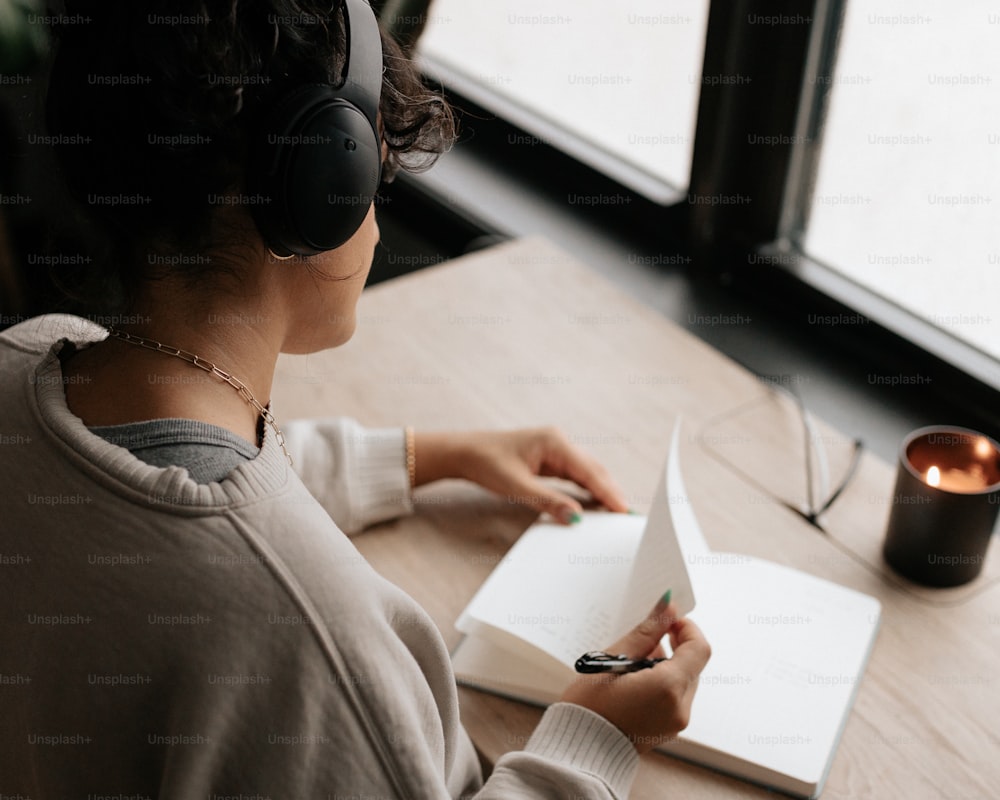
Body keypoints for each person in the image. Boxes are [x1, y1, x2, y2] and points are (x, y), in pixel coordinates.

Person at [0, 1, 710, 797]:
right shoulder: (309, 645)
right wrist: (596, 740)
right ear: (318, 192)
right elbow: (240, 545)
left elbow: (169, 482)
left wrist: (420, 457)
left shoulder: (24, 358)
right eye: (372, 183)